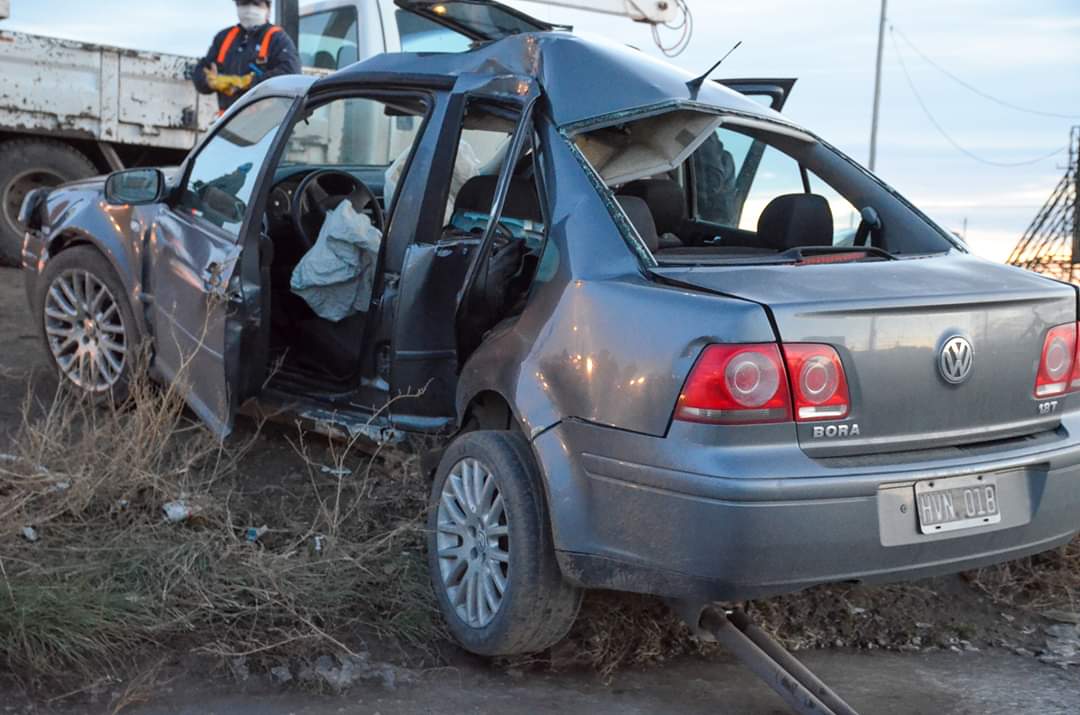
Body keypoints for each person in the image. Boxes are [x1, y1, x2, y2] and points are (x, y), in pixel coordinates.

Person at [193, 0, 301, 114]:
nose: (249, 9)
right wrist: (209, 81)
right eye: (244, 3)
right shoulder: (223, 38)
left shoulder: (277, 39)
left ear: (268, 9)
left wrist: (250, 82)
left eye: (256, 3)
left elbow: (291, 73)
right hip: (227, 122)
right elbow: (200, 72)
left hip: (266, 122)